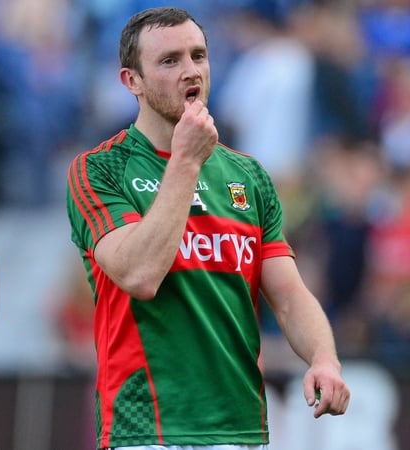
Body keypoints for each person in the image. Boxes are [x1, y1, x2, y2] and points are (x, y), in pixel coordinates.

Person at [65, 7, 349, 450]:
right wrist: (185, 163)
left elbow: (289, 296)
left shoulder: (249, 176)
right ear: (131, 81)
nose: (190, 71)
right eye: (169, 60)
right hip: (146, 430)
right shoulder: (99, 170)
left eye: (198, 55)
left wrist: (324, 359)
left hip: (240, 429)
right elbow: (139, 275)